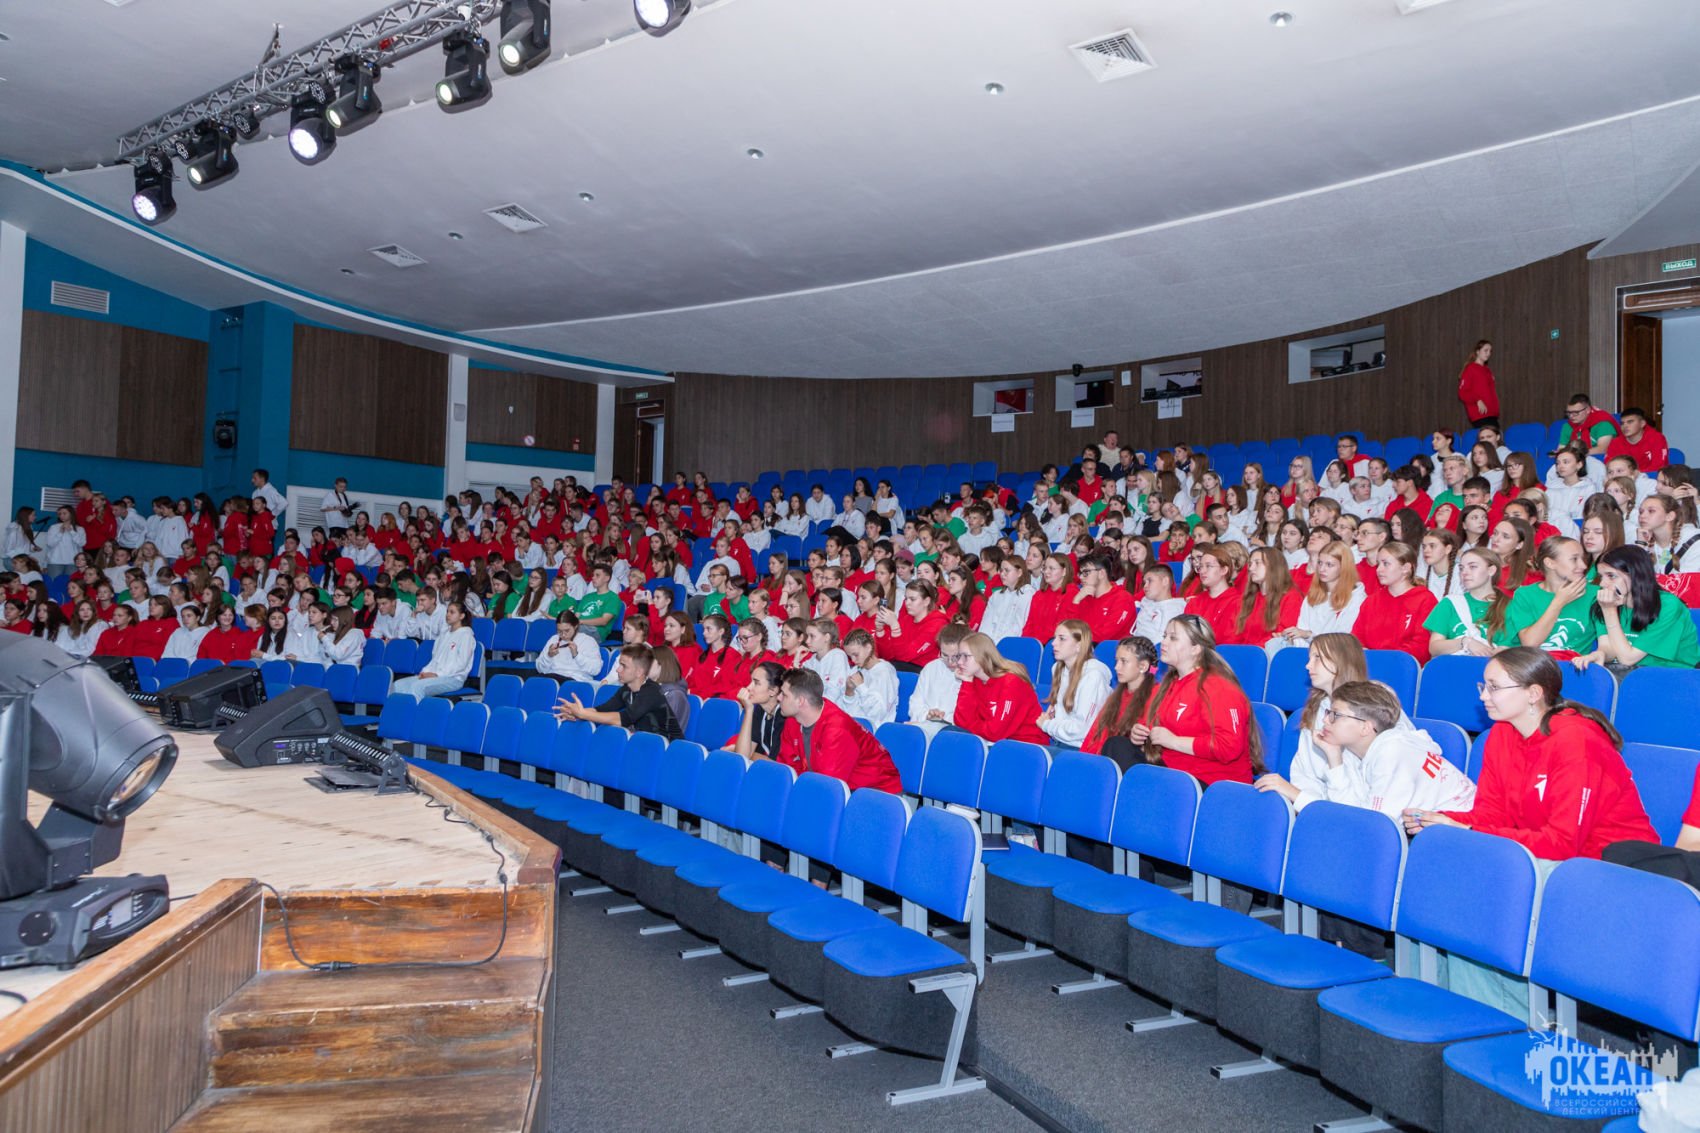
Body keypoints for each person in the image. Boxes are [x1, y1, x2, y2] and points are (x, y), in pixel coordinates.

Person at [1404, 648, 1656, 860]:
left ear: (1534, 694)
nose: (1483, 696)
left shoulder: (1577, 741)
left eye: (1494, 687)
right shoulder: (1501, 732)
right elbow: (1491, 815)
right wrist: (1439, 820)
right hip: (1544, 853)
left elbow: (1563, 843)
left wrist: (1467, 830)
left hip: (1610, 864)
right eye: (1484, 686)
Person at [1132, 614, 1259, 785]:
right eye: (1164, 636)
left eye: (1173, 638)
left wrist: (1174, 741)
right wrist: (1139, 735)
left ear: (1196, 649)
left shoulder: (1220, 689)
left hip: (1211, 783)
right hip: (1174, 773)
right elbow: (1150, 726)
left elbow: (1229, 747)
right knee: (1119, 746)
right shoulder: (1165, 686)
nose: (1164, 642)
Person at [773, 667, 902, 791]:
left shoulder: (837, 730)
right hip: (842, 789)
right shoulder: (794, 719)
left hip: (876, 793)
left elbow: (829, 788)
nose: (778, 698)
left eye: (784, 695)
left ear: (800, 701)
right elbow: (788, 769)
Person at [1574, 545, 1700, 670]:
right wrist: (1600, 654)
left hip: (1676, 673)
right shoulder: (1606, 603)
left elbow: (1627, 659)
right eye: (1601, 576)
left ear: (1636, 575)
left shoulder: (1667, 605)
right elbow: (1609, 648)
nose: (1603, 583)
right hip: (1629, 673)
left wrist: (1609, 612)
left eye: (1611, 576)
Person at [555, 642, 683, 740]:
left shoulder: (651, 692)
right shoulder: (626, 689)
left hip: (669, 753)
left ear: (639, 672)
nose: (618, 670)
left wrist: (583, 714)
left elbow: (622, 719)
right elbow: (601, 709)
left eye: (623, 666)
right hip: (647, 746)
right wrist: (575, 713)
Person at [1505, 536, 1598, 657]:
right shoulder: (1525, 595)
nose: (1584, 565)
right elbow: (1530, 643)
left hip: (1574, 665)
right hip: (1536, 664)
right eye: (1574, 559)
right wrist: (1559, 602)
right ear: (1550, 563)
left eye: (1583, 558)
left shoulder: (1594, 594)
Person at [952, 631, 1049, 744]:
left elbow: (995, 733)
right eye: (959, 656)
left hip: (1027, 744)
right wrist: (967, 682)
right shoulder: (974, 680)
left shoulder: (1011, 683)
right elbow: (960, 722)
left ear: (983, 656)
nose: (959, 662)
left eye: (966, 656)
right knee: (953, 736)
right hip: (997, 742)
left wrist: (971, 725)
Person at [1080, 636, 1159, 770]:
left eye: (1124, 661)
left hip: (1137, 765)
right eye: (1117, 661)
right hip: (1109, 762)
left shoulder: (1155, 695)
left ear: (1143, 666)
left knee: (1116, 743)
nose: (1116, 667)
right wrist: (1083, 762)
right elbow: (1095, 734)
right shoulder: (1116, 696)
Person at [1354, 542, 1439, 662]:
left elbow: (1421, 645)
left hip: (1403, 666)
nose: (1379, 569)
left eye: (1386, 564)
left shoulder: (1425, 600)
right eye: (1378, 564)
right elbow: (1357, 638)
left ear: (1405, 568)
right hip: (1370, 665)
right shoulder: (1371, 601)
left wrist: (1385, 659)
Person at [1038, 619, 1112, 750]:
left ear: (1079, 646)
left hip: (1082, 748)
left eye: (1062, 638)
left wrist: (1047, 725)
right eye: (1055, 638)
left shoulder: (1093, 676)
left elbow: (1082, 730)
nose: (1053, 643)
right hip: (1060, 742)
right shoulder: (1058, 668)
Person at [394, 600, 476, 698]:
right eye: (447, 611)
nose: (448, 615)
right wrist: (425, 672)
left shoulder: (466, 636)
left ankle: (417, 708)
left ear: (461, 616)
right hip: (435, 675)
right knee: (398, 685)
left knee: (417, 687)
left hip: (453, 678)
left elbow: (461, 664)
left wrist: (437, 674)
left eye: (452, 612)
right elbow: (435, 659)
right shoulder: (443, 635)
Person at [907, 622, 969, 739]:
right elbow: (915, 703)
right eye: (944, 655)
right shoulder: (931, 667)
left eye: (956, 656)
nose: (950, 662)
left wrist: (943, 718)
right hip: (925, 726)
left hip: (954, 733)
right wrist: (927, 714)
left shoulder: (971, 673)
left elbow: (968, 716)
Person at [840, 627, 899, 728]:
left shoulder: (884, 672)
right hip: (855, 724)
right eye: (850, 656)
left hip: (874, 728)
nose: (853, 660)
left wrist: (861, 687)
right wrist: (849, 692)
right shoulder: (856, 670)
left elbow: (878, 713)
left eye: (856, 655)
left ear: (868, 647)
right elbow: (848, 710)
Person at [1182, 545, 1240, 645]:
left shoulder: (1238, 602)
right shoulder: (1194, 603)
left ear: (1224, 570)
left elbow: (1232, 640)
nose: (1202, 571)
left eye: (1208, 566)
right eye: (1200, 567)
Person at [731, 660, 790, 759]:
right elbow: (742, 756)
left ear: (773, 691)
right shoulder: (760, 709)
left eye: (756, 683)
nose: (748, 687)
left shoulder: (784, 717)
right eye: (751, 681)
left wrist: (751, 755)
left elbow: (774, 763)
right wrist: (749, 710)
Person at [979, 556, 1035, 644]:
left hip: (1010, 645)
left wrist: (997, 644)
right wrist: (984, 644)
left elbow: (1019, 627)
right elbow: (986, 623)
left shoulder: (1027, 594)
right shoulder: (996, 595)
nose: (1002, 574)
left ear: (1019, 572)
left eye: (1007, 570)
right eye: (1001, 570)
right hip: (990, 645)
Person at [537, 609, 603, 680]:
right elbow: (539, 669)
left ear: (575, 626)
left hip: (575, 679)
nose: (563, 635)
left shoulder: (588, 641)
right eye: (559, 631)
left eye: (567, 630)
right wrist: (548, 656)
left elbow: (596, 670)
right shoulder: (554, 639)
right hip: (552, 677)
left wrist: (577, 655)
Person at [1606, 406, 1669, 474]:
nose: (1625, 426)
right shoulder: (1615, 442)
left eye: (1630, 422)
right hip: (1624, 479)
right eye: (1622, 423)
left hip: (1651, 477)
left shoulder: (1657, 438)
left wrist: (1635, 475)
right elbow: (1609, 466)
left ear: (1642, 424)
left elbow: (1658, 467)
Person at [1557, 393, 1618, 457]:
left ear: (1588, 410)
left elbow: (1603, 449)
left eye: (1576, 412)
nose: (1571, 416)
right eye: (1569, 413)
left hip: (1602, 458)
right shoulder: (1567, 426)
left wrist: (1575, 454)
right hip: (1576, 458)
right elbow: (1561, 448)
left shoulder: (1603, 423)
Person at [1457, 339, 1499, 428]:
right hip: (1480, 415)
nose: (1488, 353)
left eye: (1490, 351)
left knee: (1498, 436)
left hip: (1492, 414)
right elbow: (1462, 393)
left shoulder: (1487, 370)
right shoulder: (1470, 369)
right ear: (1477, 351)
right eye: (1486, 350)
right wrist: (1477, 400)